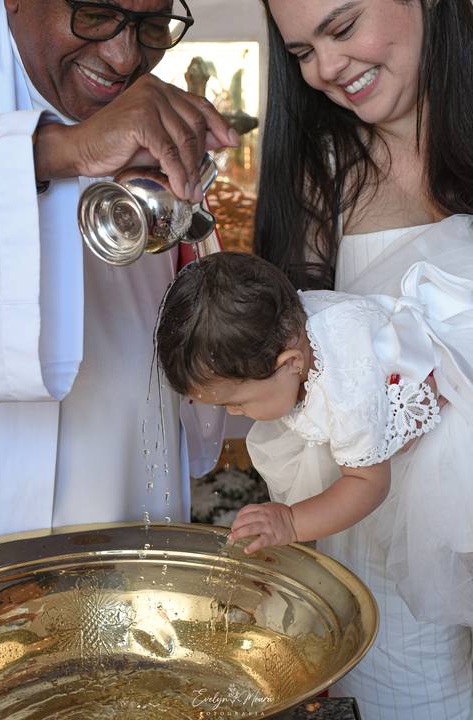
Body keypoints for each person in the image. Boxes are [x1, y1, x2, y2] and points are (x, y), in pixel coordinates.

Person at [252, 0, 473, 718]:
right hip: (379, 527)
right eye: (301, 53)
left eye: (342, 28)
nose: (325, 68)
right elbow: (301, 377)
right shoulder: (323, 177)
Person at [0, 0, 238, 539]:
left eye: (151, 26)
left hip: (124, 480)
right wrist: (58, 152)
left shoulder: (142, 107)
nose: (124, 57)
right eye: (95, 13)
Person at [157, 248, 473, 612]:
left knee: (448, 548)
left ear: (290, 363)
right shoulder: (286, 324)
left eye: (239, 403)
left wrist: (292, 523)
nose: (234, 412)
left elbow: (369, 485)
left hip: (451, 431)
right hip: (372, 381)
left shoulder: (346, 393)